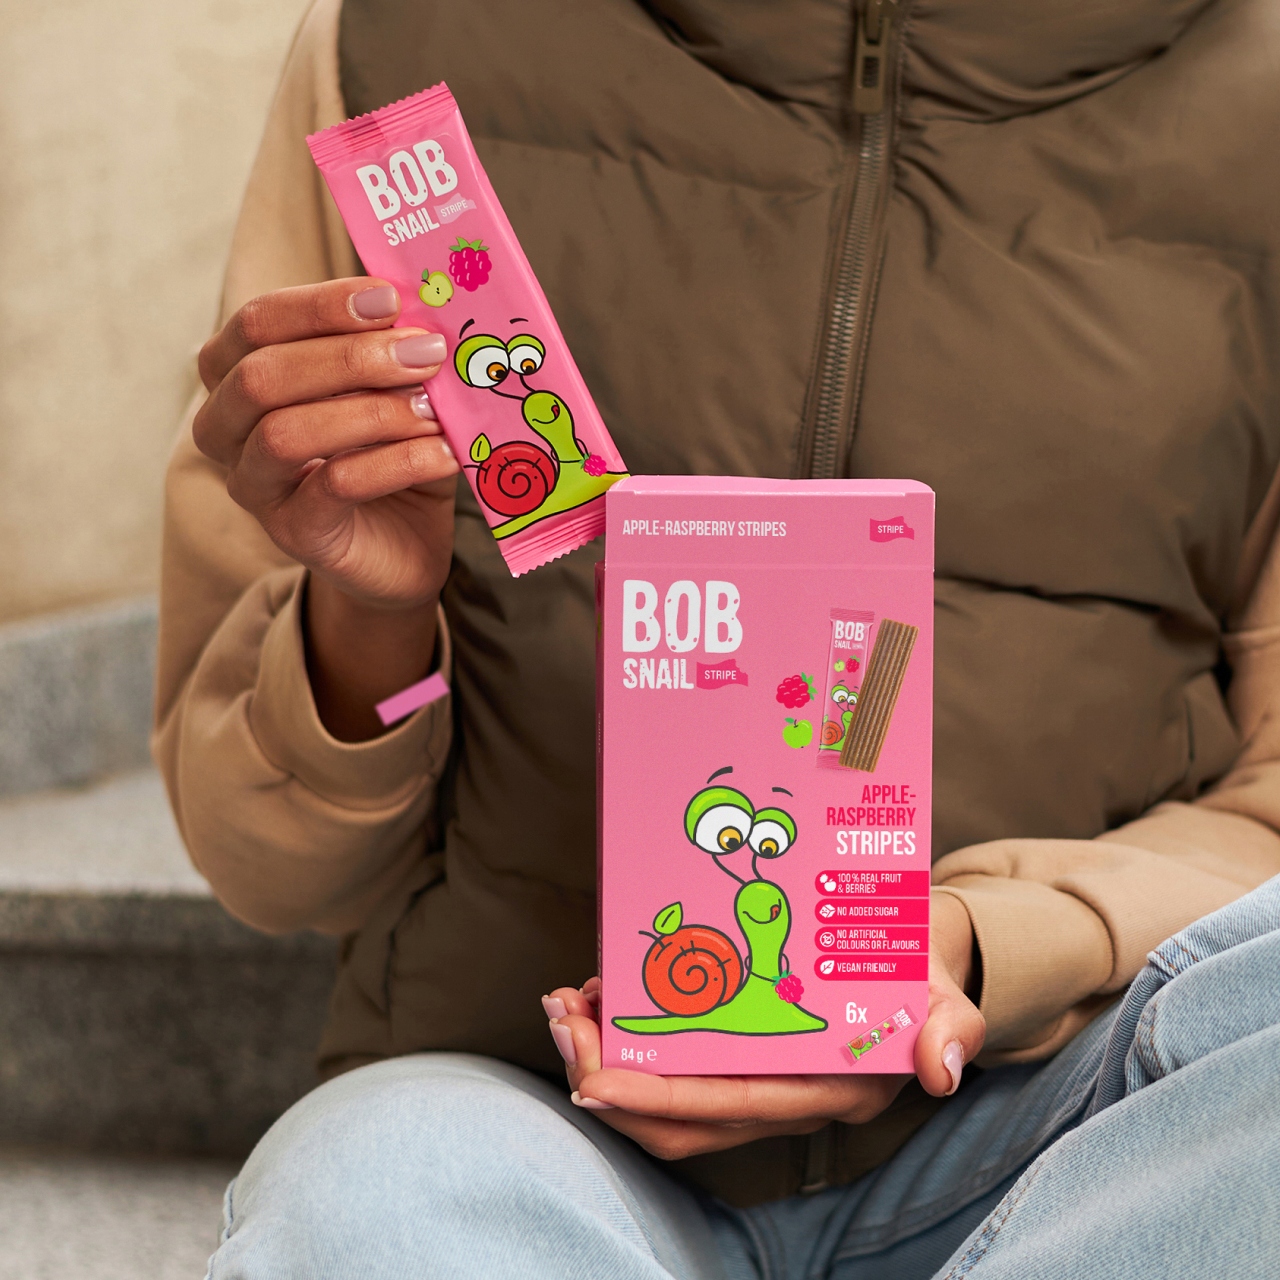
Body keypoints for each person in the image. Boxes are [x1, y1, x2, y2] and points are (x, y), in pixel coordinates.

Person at [154, 0, 1280, 1275]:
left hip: (1068, 1130)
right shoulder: (396, 46)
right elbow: (268, 870)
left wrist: (977, 945)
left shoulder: (1258, 102)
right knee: (372, 1196)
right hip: (526, 1112)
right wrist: (368, 617)